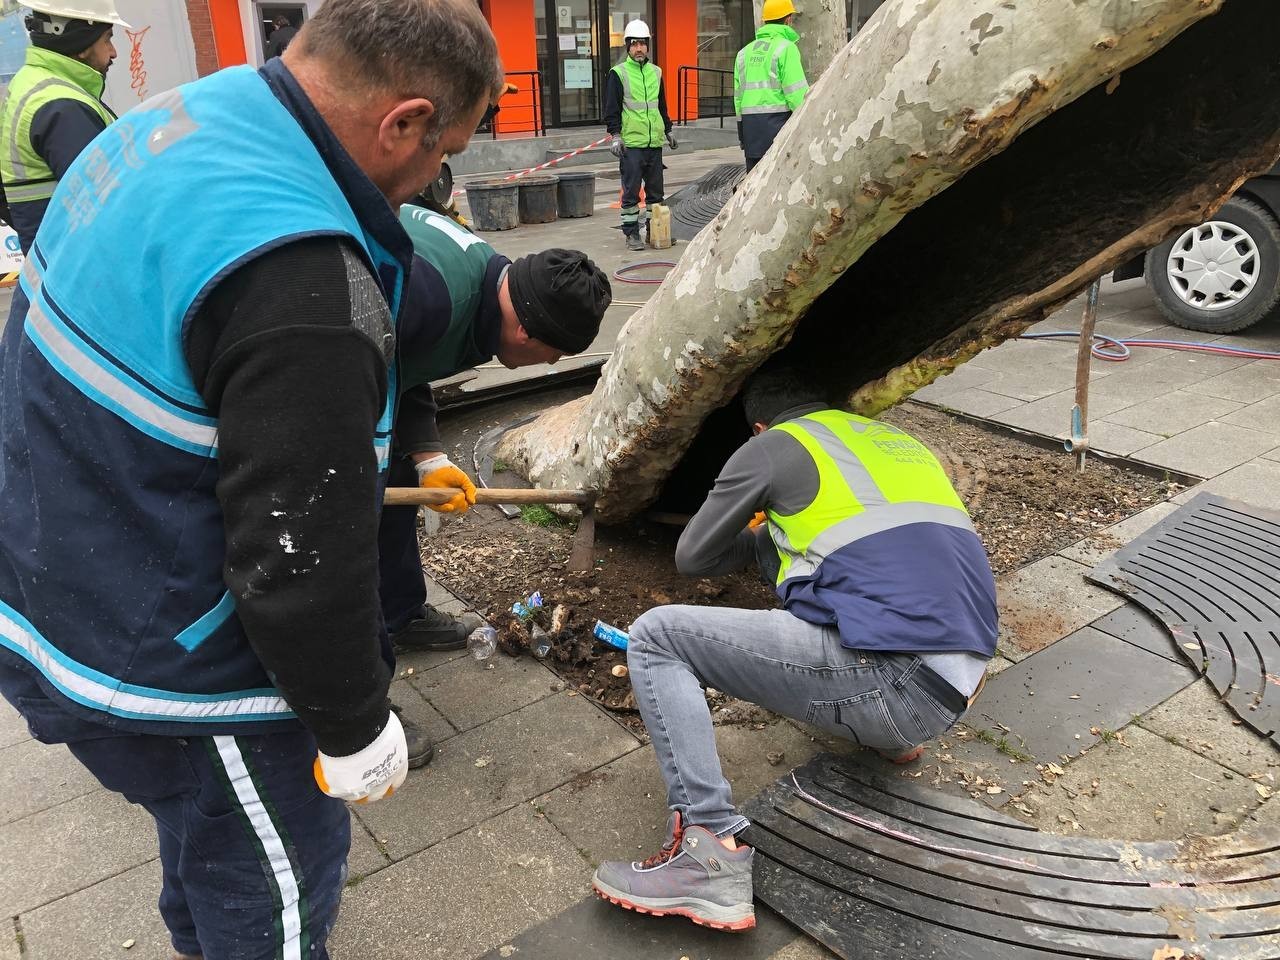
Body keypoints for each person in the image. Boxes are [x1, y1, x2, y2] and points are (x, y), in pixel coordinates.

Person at [0, 1, 502, 956]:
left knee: (207, 852)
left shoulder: (183, 117)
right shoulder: (305, 279)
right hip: (172, 666)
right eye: (448, 151)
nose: (439, 178)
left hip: (52, 576)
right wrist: (355, 725)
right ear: (403, 122)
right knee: (268, 902)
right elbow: (296, 557)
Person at [591, 366, 998, 932]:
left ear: (760, 427)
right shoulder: (897, 443)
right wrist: (772, 537)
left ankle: (706, 850)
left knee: (658, 637)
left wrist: (755, 523)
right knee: (838, 574)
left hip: (893, 684)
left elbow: (693, 557)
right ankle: (891, 740)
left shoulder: (773, 446)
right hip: (959, 683)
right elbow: (887, 555)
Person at [378, 202, 612, 751]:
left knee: (393, 489)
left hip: (360, 365)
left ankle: (400, 612)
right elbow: (347, 371)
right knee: (339, 546)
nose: (552, 367)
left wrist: (426, 455)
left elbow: (399, 365)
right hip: (296, 380)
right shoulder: (431, 300)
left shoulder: (491, 281)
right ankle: (354, 711)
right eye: (555, 355)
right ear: (528, 333)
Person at [0, 0, 125, 253]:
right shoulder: (61, 106)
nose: (113, 52)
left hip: (54, 262)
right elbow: (111, 208)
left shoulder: (30, 84)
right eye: (107, 39)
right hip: (84, 268)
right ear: (79, 43)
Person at [603, 18, 675, 252]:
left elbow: (660, 105)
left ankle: (655, 233)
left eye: (643, 44)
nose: (639, 48)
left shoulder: (656, 72)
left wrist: (668, 129)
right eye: (634, 44)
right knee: (632, 192)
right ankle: (631, 234)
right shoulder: (619, 73)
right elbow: (612, 108)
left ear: (648, 46)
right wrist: (615, 134)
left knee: (656, 194)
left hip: (654, 143)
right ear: (627, 47)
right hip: (631, 144)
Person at [733, 0, 808, 172]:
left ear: (764, 21)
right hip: (780, 128)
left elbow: (738, 99)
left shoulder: (743, 53)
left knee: (753, 187)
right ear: (788, 19)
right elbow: (797, 95)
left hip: (751, 129)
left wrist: (742, 134)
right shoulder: (786, 48)